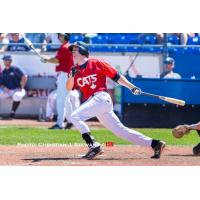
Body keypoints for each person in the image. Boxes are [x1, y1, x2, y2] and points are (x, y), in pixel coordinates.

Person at [66, 41, 166, 160]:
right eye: (72, 50)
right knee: (120, 131)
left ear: (83, 51)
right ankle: (155, 144)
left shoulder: (96, 62)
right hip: (96, 104)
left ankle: (93, 146)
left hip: (101, 98)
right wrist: (71, 76)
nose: (73, 52)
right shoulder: (74, 70)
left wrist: (131, 87)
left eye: (76, 49)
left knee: (75, 116)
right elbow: (69, 87)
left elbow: (116, 77)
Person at [41, 33, 74, 129]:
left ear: (65, 37)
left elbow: (56, 60)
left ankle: (60, 124)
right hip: (69, 75)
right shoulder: (69, 46)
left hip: (65, 75)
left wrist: (46, 59)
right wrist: (47, 59)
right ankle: (71, 121)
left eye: (61, 35)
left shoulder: (64, 47)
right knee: (66, 100)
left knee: (61, 100)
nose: (59, 37)